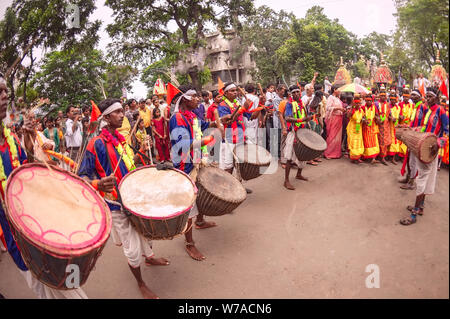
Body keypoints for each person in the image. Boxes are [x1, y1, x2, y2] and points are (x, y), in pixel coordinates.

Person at [0, 73, 88, 298]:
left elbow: (25, 168)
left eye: (4, 92)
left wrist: (30, 141)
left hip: (39, 219)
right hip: (16, 232)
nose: (3, 97)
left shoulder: (8, 136)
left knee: (66, 282)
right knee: (46, 287)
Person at [78, 98, 169, 299]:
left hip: (134, 196)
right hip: (116, 203)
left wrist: (142, 153)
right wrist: (98, 184)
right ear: (107, 117)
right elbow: (82, 175)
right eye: (118, 112)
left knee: (145, 232)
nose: (122, 115)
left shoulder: (120, 139)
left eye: (122, 111)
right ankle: (141, 283)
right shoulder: (96, 144)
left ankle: (150, 258)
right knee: (132, 246)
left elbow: (128, 163)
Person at [169, 85, 223, 260]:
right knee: (190, 205)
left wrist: (217, 122)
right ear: (184, 99)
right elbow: (181, 145)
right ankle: (189, 243)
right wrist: (204, 141)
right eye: (195, 97)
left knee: (201, 193)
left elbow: (203, 125)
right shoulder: (177, 118)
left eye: (199, 96)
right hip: (185, 165)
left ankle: (200, 221)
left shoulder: (192, 115)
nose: (198, 99)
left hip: (197, 160)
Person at [400, 87, 449, 225]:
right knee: (424, 178)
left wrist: (439, 143)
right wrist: (414, 130)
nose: (427, 99)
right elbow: (424, 127)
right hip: (423, 147)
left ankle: (414, 213)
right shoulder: (429, 110)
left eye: (430, 96)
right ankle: (420, 207)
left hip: (431, 150)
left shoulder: (441, 111)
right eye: (426, 96)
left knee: (421, 180)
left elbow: (447, 131)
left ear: (436, 98)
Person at [217, 82, 254, 194]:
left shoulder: (236, 103)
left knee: (239, 164)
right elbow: (229, 120)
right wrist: (243, 108)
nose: (235, 92)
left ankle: (239, 186)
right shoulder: (222, 105)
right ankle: (226, 192)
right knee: (228, 166)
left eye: (235, 90)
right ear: (226, 93)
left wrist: (259, 107)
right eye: (232, 91)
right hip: (229, 139)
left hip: (240, 137)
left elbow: (250, 116)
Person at [283, 85, 312, 190]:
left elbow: (305, 117)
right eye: (294, 92)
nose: (296, 94)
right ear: (291, 94)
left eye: (298, 92)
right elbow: (287, 118)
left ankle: (299, 174)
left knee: (303, 154)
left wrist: (310, 118)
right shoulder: (289, 104)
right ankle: (286, 181)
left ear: (300, 93)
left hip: (302, 132)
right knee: (289, 157)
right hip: (293, 133)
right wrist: (301, 120)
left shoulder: (302, 104)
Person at [399, 89, 429, 189]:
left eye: (414, 95)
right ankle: (408, 177)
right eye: (411, 95)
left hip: (417, 137)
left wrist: (418, 130)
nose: (412, 96)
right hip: (413, 134)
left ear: (420, 97)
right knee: (408, 158)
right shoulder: (416, 107)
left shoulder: (423, 107)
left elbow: (426, 122)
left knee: (413, 160)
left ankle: (411, 182)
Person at [324, 85, 345, 159]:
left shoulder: (337, 98)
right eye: (338, 90)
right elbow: (328, 108)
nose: (340, 91)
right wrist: (338, 108)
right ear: (334, 90)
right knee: (332, 136)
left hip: (339, 118)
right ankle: (328, 153)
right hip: (333, 119)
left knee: (338, 137)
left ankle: (336, 153)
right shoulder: (330, 98)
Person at [346, 94, 365, 164]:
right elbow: (348, 116)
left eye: (359, 103)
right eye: (356, 103)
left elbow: (364, 117)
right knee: (353, 142)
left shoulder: (361, 110)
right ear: (354, 103)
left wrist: (363, 120)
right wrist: (352, 108)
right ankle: (353, 158)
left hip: (358, 128)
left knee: (359, 143)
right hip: (352, 128)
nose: (358, 105)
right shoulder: (352, 110)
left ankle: (358, 157)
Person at [362, 95, 380, 163]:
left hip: (373, 126)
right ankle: (367, 156)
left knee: (374, 142)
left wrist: (377, 118)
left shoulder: (374, 107)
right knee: (367, 142)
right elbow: (362, 116)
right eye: (367, 100)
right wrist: (364, 120)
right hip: (366, 127)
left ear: (372, 101)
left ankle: (373, 158)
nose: (369, 102)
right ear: (365, 101)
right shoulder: (363, 107)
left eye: (370, 101)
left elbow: (377, 115)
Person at [375, 87, 391, 165]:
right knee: (379, 140)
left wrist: (392, 118)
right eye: (381, 96)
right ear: (379, 96)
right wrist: (378, 119)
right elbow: (375, 114)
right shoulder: (376, 104)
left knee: (385, 141)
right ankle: (380, 156)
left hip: (386, 125)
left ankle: (384, 156)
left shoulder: (387, 104)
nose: (383, 97)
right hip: (379, 125)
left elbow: (389, 114)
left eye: (384, 96)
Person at [387, 93, 401, 164]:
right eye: (391, 100)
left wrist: (400, 118)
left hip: (396, 126)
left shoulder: (398, 107)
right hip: (389, 126)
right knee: (391, 141)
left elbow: (400, 115)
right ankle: (390, 157)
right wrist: (390, 118)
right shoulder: (388, 107)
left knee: (396, 141)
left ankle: (393, 157)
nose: (393, 101)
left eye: (394, 100)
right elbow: (386, 115)